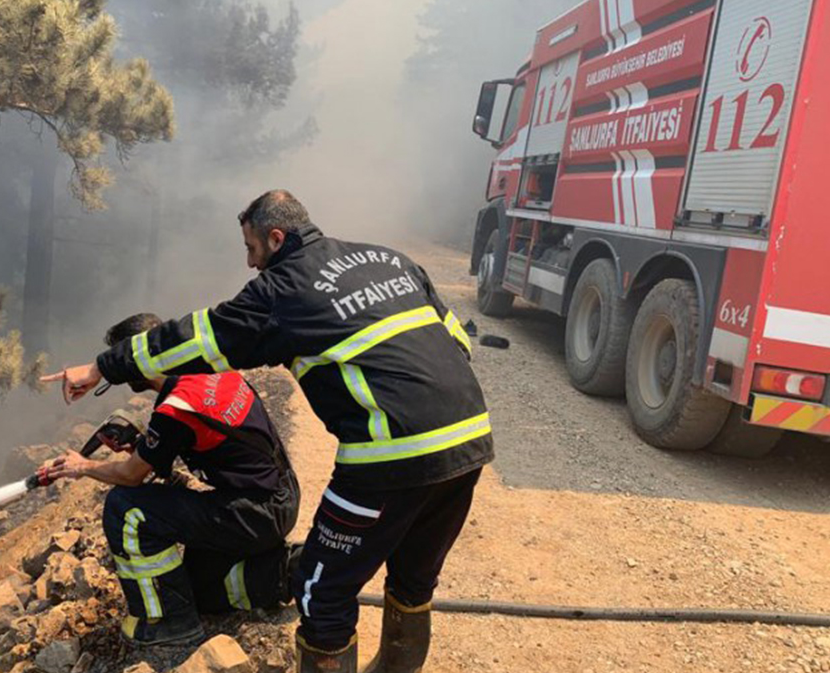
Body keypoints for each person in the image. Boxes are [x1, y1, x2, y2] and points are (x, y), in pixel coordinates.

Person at [42, 190, 493, 672]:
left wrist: (102, 367)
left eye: (252, 248)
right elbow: (456, 339)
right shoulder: (388, 258)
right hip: (470, 438)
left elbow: (195, 339)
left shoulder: (283, 288)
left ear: (276, 239)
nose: (250, 262)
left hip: (389, 458)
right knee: (413, 578)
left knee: (322, 594)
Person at [40, 313, 301, 646]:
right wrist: (138, 445)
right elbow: (196, 443)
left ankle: (170, 622)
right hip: (277, 498)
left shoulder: (175, 408)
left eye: (122, 365)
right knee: (199, 590)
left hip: (256, 514)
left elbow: (130, 477)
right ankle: (290, 572)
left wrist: (82, 466)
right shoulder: (212, 369)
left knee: (125, 508)